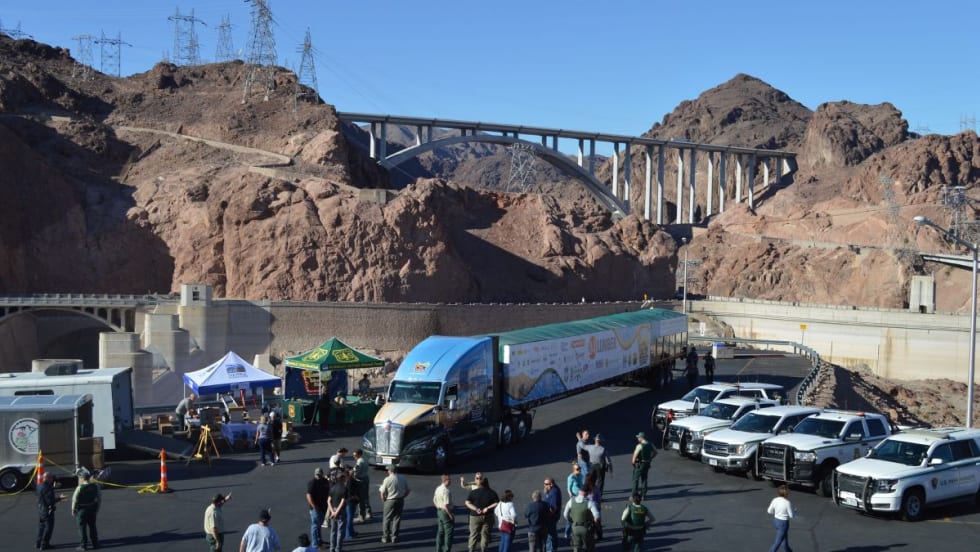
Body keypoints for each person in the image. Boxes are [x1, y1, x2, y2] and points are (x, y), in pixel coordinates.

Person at [465, 477, 499, 552]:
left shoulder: (473, 492)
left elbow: (467, 503)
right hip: (488, 516)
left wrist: (476, 509)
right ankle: (483, 549)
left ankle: (471, 549)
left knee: (473, 534)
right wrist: (487, 508)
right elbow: (496, 503)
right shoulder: (492, 492)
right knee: (485, 534)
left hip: (475, 516)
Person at [71, 467, 100, 551]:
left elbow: (74, 499)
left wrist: (73, 510)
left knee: (82, 528)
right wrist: (97, 508)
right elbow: (99, 498)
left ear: (82, 478)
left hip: (82, 510)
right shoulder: (95, 486)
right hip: (92, 508)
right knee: (92, 526)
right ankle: (95, 543)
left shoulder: (79, 488)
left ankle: (83, 545)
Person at [379, 465, 410, 543]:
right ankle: (394, 536)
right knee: (397, 518)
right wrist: (403, 496)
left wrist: (383, 499)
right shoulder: (402, 478)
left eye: (388, 470)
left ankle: (385, 537)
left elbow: (382, 492)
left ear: (390, 470)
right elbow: (408, 490)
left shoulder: (387, 479)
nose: (387, 471)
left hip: (390, 500)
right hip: (400, 500)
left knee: (387, 518)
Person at [561, 487, 599, 552]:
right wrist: (595, 523)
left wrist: (571, 521)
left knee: (576, 547)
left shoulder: (571, 501)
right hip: (586, 528)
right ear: (587, 493)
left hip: (575, 528)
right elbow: (597, 515)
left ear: (579, 492)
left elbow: (565, 514)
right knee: (589, 547)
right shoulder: (589, 502)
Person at [36, 471, 64, 550]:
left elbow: (43, 494)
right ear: (47, 478)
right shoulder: (47, 488)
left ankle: (38, 542)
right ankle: (44, 544)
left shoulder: (39, 486)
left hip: (40, 509)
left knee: (41, 527)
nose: (52, 479)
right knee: (48, 528)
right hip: (47, 511)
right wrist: (60, 498)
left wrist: (53, 487)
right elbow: (50, 501)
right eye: (51, 478)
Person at [307, 467, 330, 548]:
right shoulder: (312, 483)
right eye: (317, 475)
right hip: (316, 509)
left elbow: (328, 491)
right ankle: (315, 544)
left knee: (318, 525)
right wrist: (314, 506)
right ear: (315, 474)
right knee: (315, 526)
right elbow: (309, 496)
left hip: (323, 507)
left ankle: (319, 540)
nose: (318, 476)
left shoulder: (325, 481)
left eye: (319, 475)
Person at [766, 485, 794, 552]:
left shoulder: (775, 500)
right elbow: (791, 515)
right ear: (786, 493)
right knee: (777, 542)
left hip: (776, 521)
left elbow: (769, 511)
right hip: (783, 524)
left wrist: (777, 513)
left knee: (784, 540)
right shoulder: (787, 503)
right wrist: (794, 511)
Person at [630, 432, 656, 500]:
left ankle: (634, 495)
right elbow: (655, 452)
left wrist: (633, 463)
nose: (638, 438)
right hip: (647, 464)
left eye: (638, 437)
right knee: (644, 479)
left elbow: (634, 457)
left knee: (635, 479)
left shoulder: (639, 446)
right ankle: (643, 495)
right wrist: (650, 458)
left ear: (641, 438)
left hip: (640, 464)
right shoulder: (650, 444)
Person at [327, 469, 348, 552]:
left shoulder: (333, 488)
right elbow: (342, 502)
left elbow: (328, 501)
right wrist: (337, 512)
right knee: (340, 531)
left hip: (333, 509)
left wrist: (332, 511)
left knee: (333, 531)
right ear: (342, 479)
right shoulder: (344, 488)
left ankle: (331, 548)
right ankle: (338, 549)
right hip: (340, 511)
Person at [433, 474, 455, 552]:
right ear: (446, 481)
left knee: (440, 532)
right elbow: (446, 505)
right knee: (448, 533)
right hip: (445, 513)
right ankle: (447, 550)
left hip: (439, 512)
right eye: (449, 480)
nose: (450, 481)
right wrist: (450, 515)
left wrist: (438, 508)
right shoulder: (446, 491)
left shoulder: (438, 488)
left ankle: (438, 549)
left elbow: (434, 500)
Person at [352, 449, 372, 522]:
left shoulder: (359, 462)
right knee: (366, 496)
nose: (354, 457)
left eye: (355, 455)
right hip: (366, 478)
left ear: (359, 454)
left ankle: (361, 516)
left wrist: (352, 475)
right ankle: (369, 512)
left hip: (360, 480)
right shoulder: (365, 459)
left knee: (360, 498)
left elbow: (356, 472)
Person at [343, 466, 359, 540]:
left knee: (350, 517)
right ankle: (348, 534)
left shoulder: (348, 479)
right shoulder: (350, 481)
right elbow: (349, 493)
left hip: (350, 501)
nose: (353, 471)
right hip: (350, 501)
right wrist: (356, 497)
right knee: (349, 518)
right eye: (351, 470)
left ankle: (351, 531)